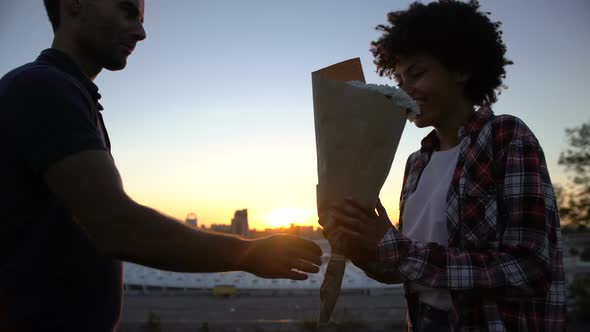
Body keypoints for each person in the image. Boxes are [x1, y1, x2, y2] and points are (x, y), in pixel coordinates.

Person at [0, 0, 322, 330]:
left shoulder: (68, 95)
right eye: (127, 11)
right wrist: (248, 254)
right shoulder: (44, 88)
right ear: (75, 4)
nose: (141, 32)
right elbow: (118, 226)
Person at [322, 1, 566, 331]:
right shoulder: (416, 164)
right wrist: (362, 246)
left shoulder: (506, 136)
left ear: (460, 70)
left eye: (417, 73)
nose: (404, 89)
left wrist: (395, 247)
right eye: (399, 78)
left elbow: (528, 266)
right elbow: (406, 269)